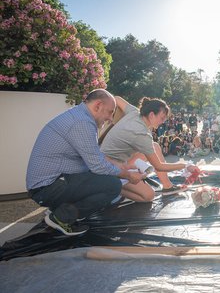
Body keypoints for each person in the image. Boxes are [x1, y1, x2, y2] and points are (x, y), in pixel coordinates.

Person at [26, 89, 145, 236]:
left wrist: (122, 166)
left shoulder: (79, 116)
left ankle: (60, 207)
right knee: (112, 185)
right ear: (98, 105)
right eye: (110, 112)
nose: (110, 119)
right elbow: (97, 165)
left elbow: (95, 155)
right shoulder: (83, 122)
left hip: (49, 184)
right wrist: (127, 175)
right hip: (47, 189)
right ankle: (61, 218)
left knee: (105, 177)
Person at [100, 96, 200, 202]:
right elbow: (159, 166)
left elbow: (116, 98)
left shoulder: (134, 112)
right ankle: (110, 187)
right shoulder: (142, 134)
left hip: (108, 158)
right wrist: (186, 165)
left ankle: (167, 186)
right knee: (148, 196)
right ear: (151, 115)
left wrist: (110, 116)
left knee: (155, 146)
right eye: (162, 118)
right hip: (109, 169)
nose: (163, 122)